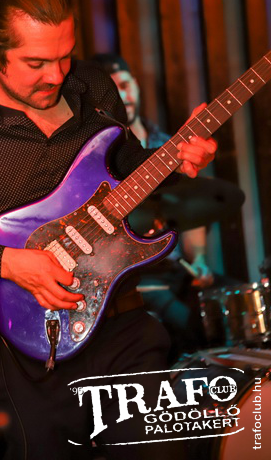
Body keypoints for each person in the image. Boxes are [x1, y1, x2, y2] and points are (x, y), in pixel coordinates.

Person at [0, 0, 217, 459]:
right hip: (34, 355)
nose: (56, 76)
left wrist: (175, 160)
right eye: (36, 62)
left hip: (123, 327)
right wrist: (9, 263)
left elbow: (125, 170)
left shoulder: (93, 86)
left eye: (64, 56)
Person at [92, 53, 215, 359]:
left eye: (126, 84)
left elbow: (193, 206)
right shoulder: (101, 155)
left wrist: (199, 258)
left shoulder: (167, 142)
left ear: (136, 85)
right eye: (115, 88)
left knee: (220, 310)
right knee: (185, 326)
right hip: (133, 277)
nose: (124, 95)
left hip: (175, 270)